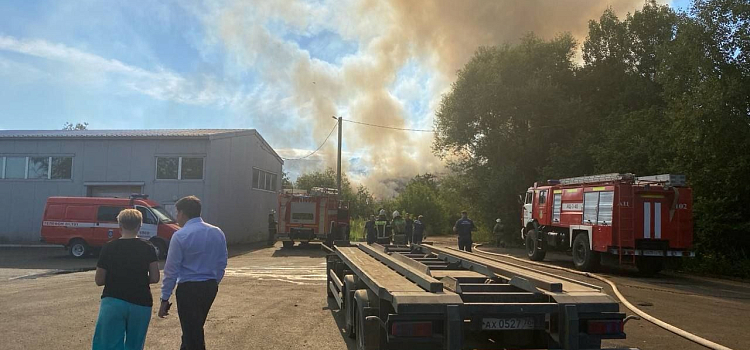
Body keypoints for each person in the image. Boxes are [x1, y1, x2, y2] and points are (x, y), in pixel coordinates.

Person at [159, 196, 228, 350]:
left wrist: (165, 297)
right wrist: (214, 281)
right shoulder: (217, 232)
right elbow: (222, 262)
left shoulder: (180, 235)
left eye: (177, 213)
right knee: (195, 328)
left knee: (191, 331)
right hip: (209, 286)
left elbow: (171, 270)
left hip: (188, 287)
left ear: (182, 213)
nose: (177, 217)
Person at [93, 209, 160, 350]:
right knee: (135, 344)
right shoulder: (148, 248)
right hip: (141, 301)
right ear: (139, 226)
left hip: (113, 300)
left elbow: (99, 280)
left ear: (120, 226)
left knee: (108, 344)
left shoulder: (109, 248)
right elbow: (155, 277)